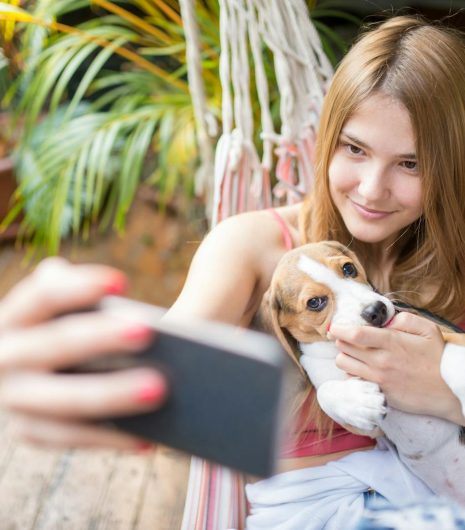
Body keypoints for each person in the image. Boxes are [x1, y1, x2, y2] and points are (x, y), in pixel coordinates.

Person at [2, 13, 465, 529]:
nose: (372, 188)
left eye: (411, 164)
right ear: (326, 139)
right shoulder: (257, 247)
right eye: (354, 149)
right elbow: (165, 359)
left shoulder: (452, 258)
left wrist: (442, 392)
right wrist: (68, 363)